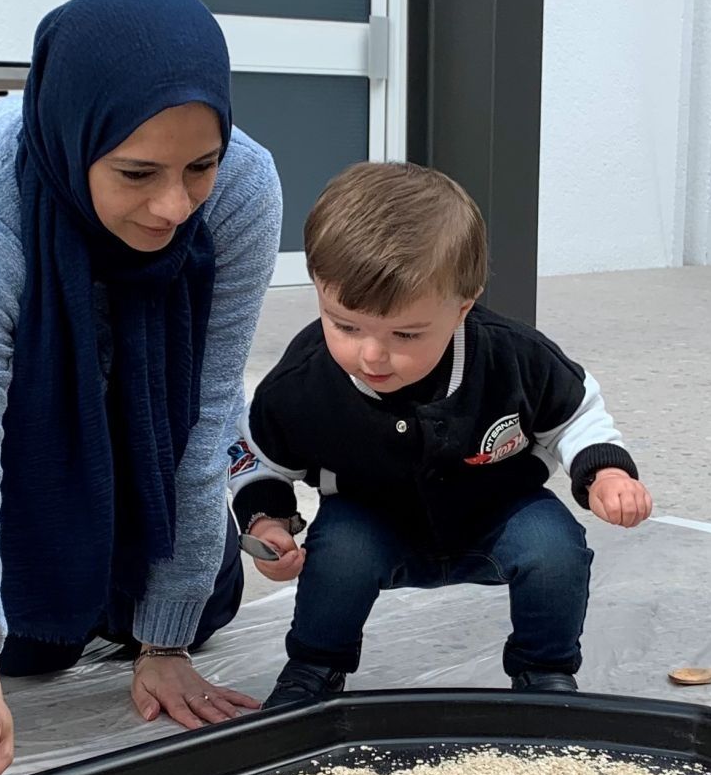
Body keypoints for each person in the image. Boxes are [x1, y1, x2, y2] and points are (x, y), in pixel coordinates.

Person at [0, 0, 282, 775]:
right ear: (73, 138)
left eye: (197, 167)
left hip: (150, 400)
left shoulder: (242, 190)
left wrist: (163, 640)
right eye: (136, 173)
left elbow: (206, 413)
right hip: (24, 406)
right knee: (22, 645)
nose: (174, 205)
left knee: (200, 610)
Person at [226, 162, 653, 709]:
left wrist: (605, 471)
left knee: (556, 549)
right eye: (346, 325)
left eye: (406, 333)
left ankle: (544, 673)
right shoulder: (303, 383)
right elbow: (257, 458)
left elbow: (576, 414)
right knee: (339, 555)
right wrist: (267, 522)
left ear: (463, 307)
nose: (372, 354)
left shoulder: (511, 355)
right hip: (372, 518)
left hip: (500, 510)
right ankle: (315, 665)